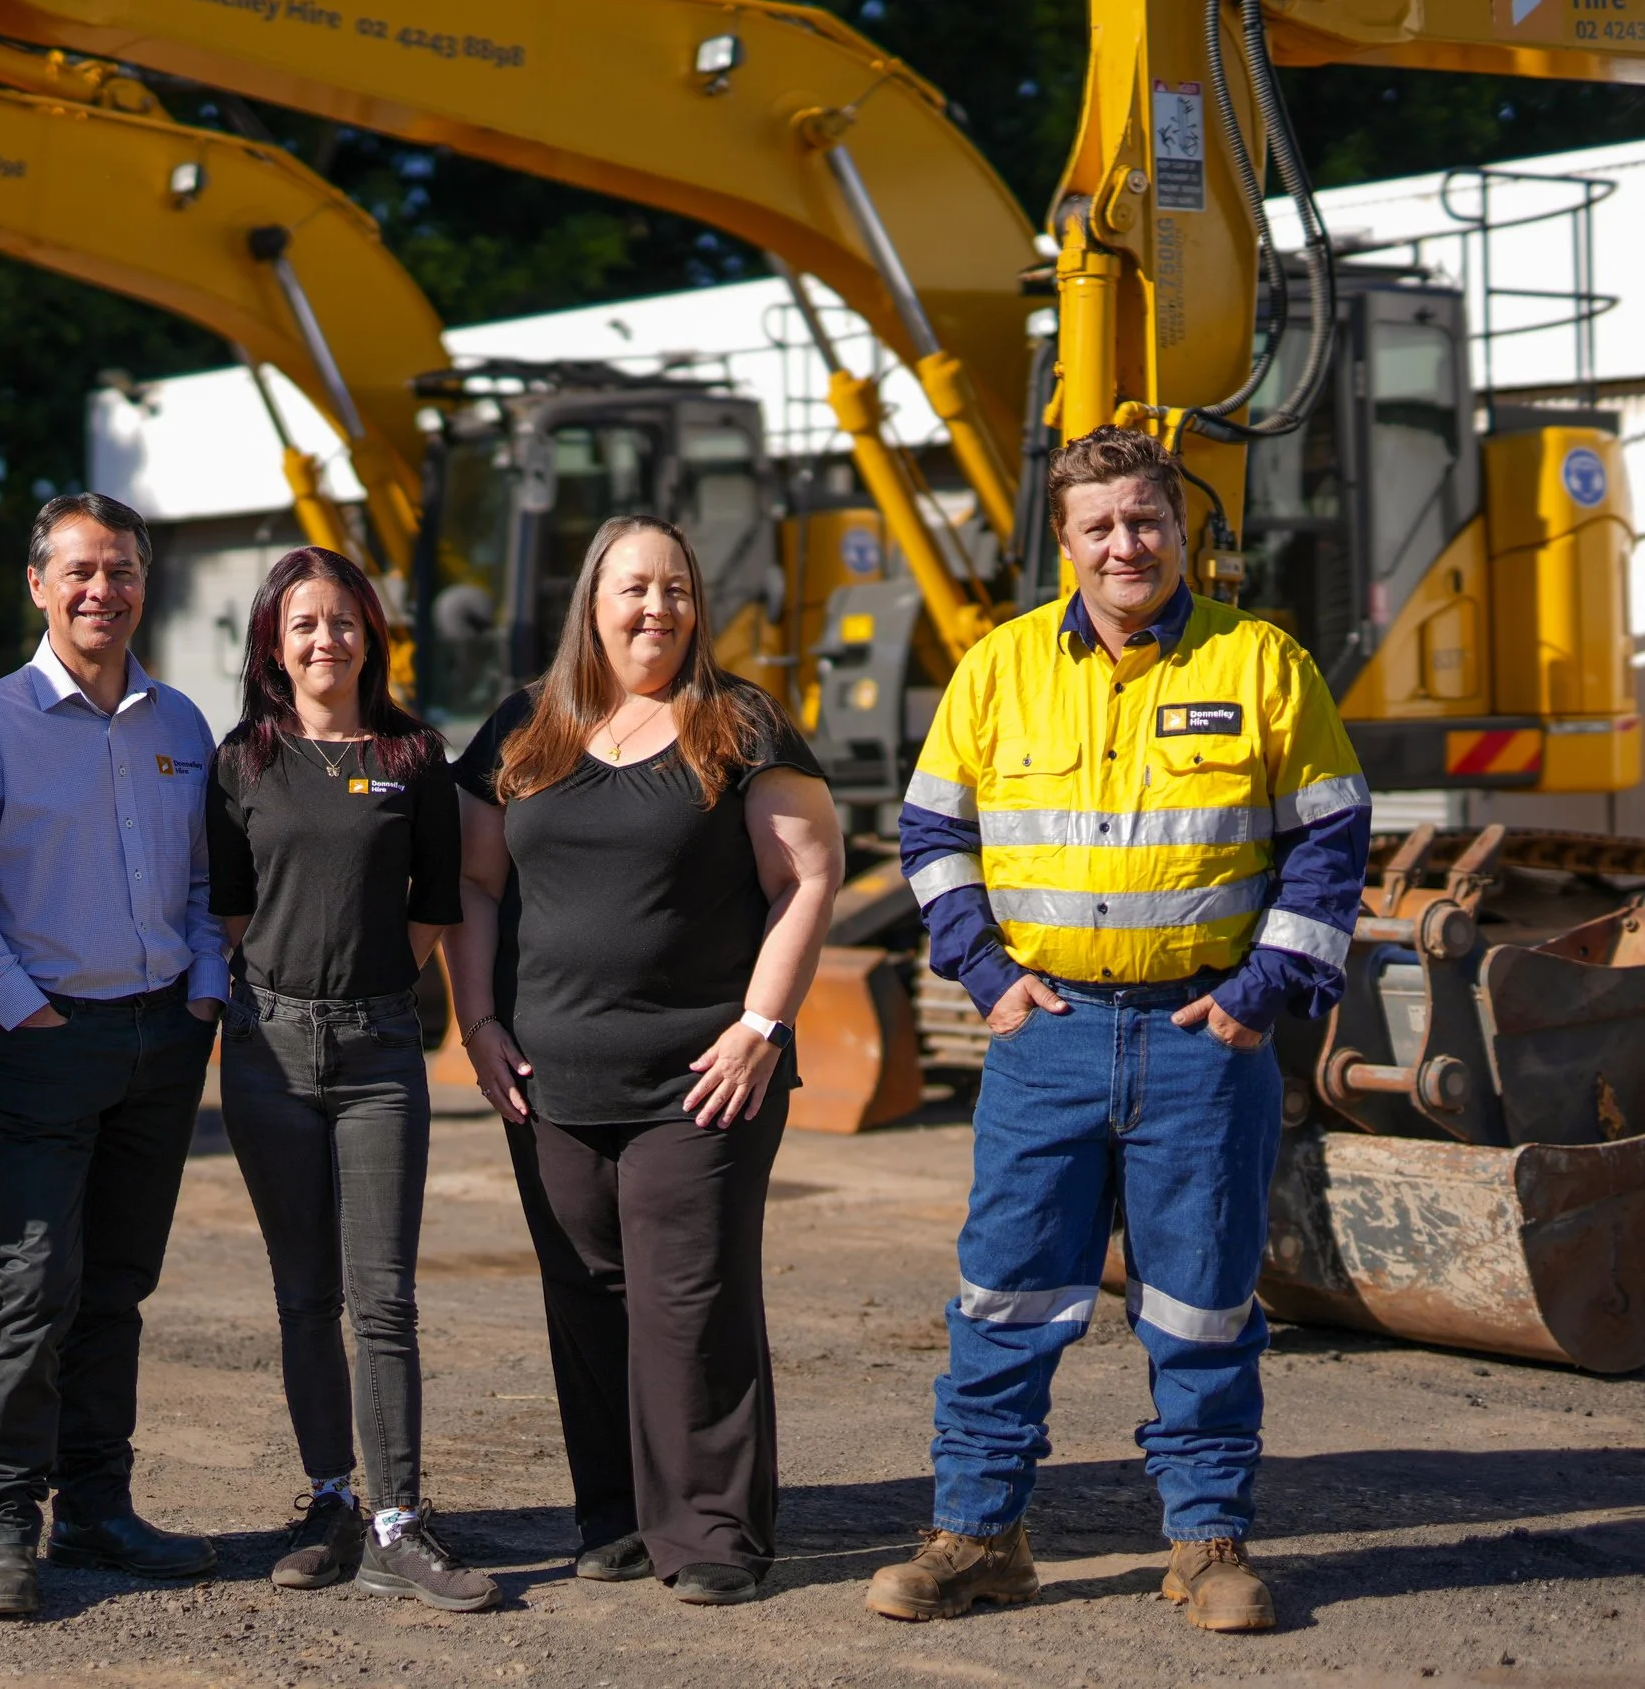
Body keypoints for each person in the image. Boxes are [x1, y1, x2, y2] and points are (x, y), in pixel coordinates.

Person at [872, 426, 1369, 1634]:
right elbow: (933, 840)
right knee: (1004, 1297)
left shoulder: (1261, 664)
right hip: (1044, 1036)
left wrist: (1258, 997)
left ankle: (1207, 1545)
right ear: (1062, 542)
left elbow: (1331, 838)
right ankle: (978, 1536)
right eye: (1097, 525)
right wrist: (984, 976)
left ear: (1180, 528)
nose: (1124, 544)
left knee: (1201, 1304)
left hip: (1203, 1044)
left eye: (1144, 519)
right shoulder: (995, 672)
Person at [446, 514, 845, 1606]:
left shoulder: (738, 721)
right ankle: (616, 1515)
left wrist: (761, 1026)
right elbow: (474, 886)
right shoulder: (523, 728)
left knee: (690, 1299)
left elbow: (810, 874)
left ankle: (714, 1532)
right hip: (548, 1077)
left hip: (701, 1074)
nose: (656, 609)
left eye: (675, 589)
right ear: (593, 601)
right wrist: (477, 1024)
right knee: (586, 1294)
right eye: (634, 588)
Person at [0, 492, 229, 1619]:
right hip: (44, 1038)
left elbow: (206, 882)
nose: (103, 590)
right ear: (38, 583)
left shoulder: (179, 726)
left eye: (122, 571)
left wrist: (203, 987)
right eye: (81, 571)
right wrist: (22, 1008)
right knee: (35, 1280)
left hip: (162, 1038)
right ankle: (2, 1518)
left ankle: (97, 1504)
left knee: (118, 1283)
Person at [206, 547, 499, 1613]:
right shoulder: (241, 758)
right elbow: (231, 908)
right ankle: (329, 1498)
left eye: (342, 621)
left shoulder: (414, 755)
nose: (324, 640)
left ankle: (396, 1522)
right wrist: (294, 993)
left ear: (370, 633)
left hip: (379, 1055)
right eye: (303, 626)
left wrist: (367, 991)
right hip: (267, 1051)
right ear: (273, 648)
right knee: (302, 1295)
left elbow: (437, 900)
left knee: (383, 1300)